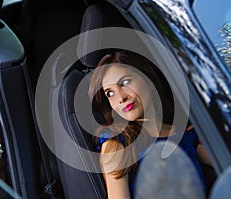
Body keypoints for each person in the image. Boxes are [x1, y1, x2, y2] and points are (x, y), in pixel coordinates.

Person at [88, 50, 212, 199]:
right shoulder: (117, 144)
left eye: (125, 83)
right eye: (110, 93)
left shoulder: (186, 135)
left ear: (148, 80)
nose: (120, 97)